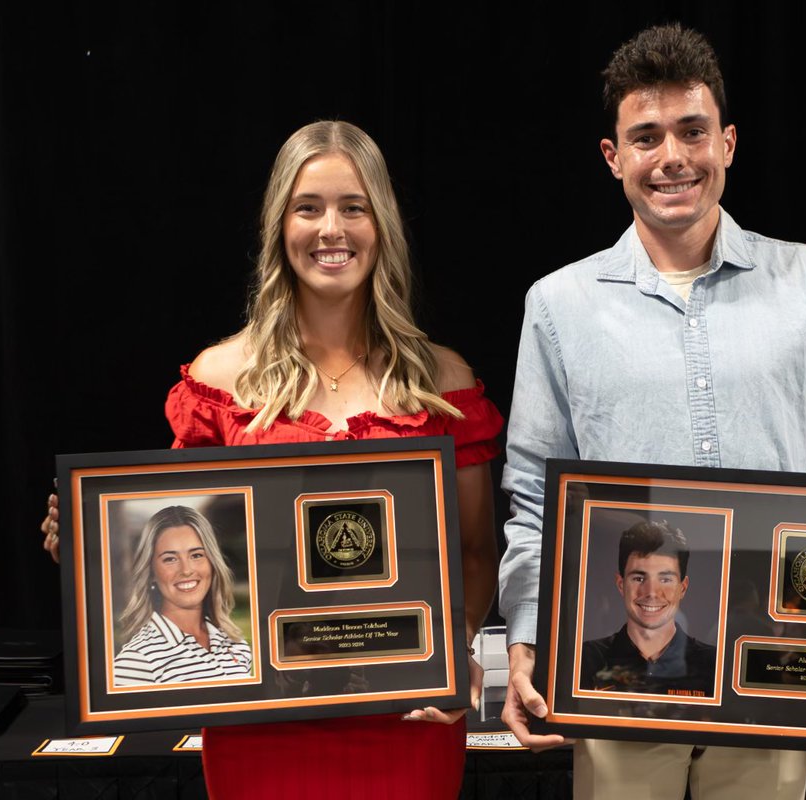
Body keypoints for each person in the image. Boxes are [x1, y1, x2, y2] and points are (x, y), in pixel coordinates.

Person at [497, 23, 806, 800]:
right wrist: (528, 642)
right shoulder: (558, 306)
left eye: (692, 131)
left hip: (774, 675)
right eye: (646, 136)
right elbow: (536, 502)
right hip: (617, 691)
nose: (671, 156)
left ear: (729, 143)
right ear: (614, 158)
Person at [42, 120, 502, 798]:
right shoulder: (219, 379)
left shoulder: (442, 380)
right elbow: (179, 537)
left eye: (354, 207)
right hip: (262, 727)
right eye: (307, 207)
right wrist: (92, 551)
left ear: (383, 224)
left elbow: (473, 554)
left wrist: (452, 650)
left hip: (408, 721)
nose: (330, 229)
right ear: (278, 226)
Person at [113, 504, 253, 686]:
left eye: (196, 555)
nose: (186, 570)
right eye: (170, 559)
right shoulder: (136, 662)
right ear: (152, 573)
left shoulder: (236, 645)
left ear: (212, 563)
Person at [581, 520, 716, 696]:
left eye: (665, 579)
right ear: (621, 584)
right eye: (638, 578)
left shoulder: (714, 664)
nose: (651, 593)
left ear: (682, 588)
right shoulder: (584, 659)